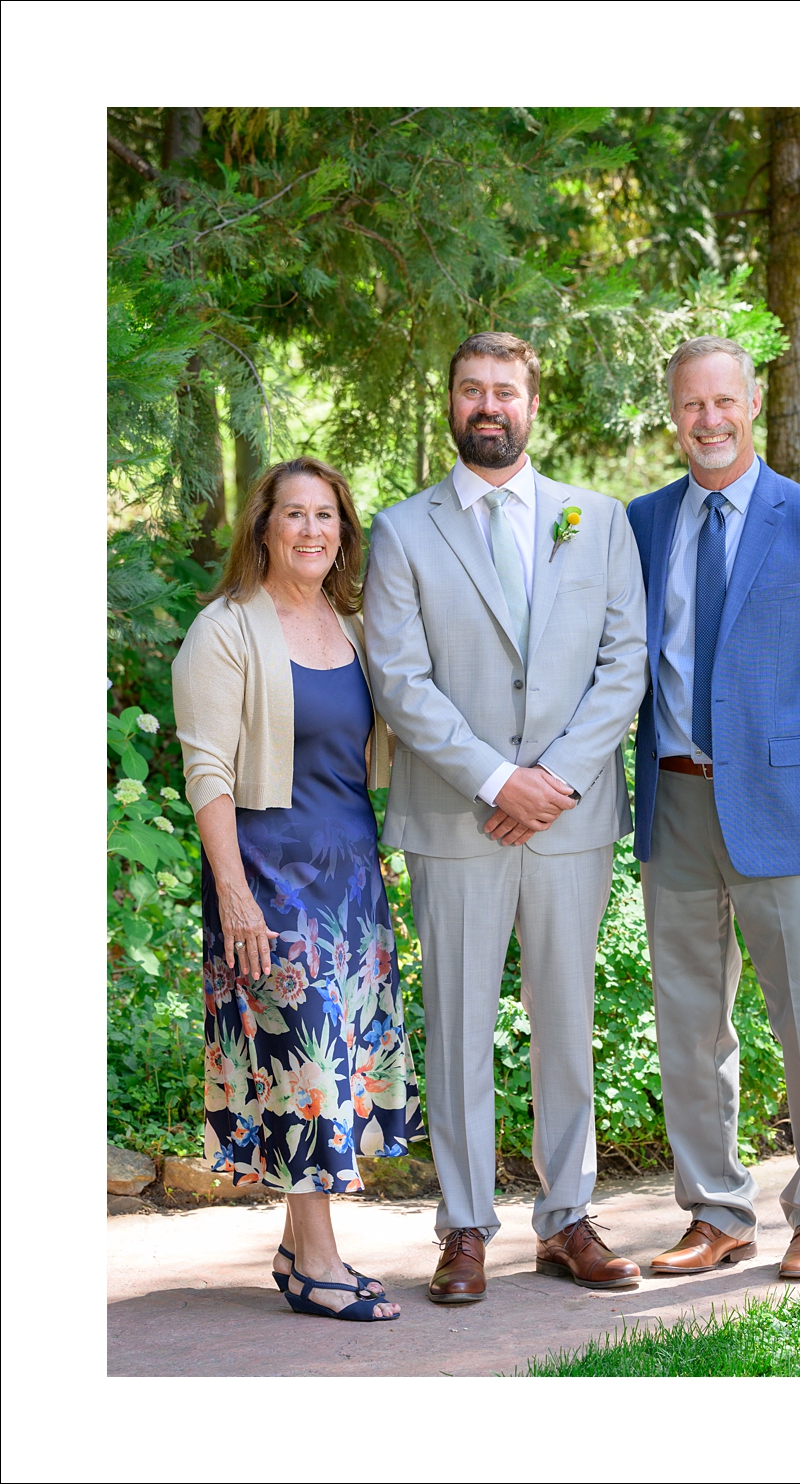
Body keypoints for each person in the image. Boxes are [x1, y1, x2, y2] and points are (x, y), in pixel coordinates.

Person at [362, 331, 649, 1304]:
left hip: (568, 818)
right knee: (459, 1024)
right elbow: (400, 679)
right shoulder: (403, 531)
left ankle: (566, 1217)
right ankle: (466, 1226)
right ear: (449, 402)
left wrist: (553, 779)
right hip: (456, 817)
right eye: (471, 389)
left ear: (533, 404)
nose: (488, 405)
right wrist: (495, 778)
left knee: (565, 1020)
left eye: (505, 391)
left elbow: (625, 663)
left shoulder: (595, 519)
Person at [627, 335, 800, 1282]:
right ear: (674, 413)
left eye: (724, 402)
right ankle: (716, 1212)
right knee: (689, 1020)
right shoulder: (643, 523)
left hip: (786, 804)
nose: (709, 420)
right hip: (677, 799)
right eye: (692, 405)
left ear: (753, 403)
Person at [171, 456, 418, 1322]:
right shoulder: (226, 628)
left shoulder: (352, 624)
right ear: (264, 528)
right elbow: (206, 770)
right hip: (269, 879)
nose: (312, 530)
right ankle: (319, 1262)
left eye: (327, 516)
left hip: (350, 879)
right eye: (294, 515)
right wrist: (233, 893)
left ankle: (292, 1245)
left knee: (328, 1067)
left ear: (343, 531)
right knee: (307, 1062)